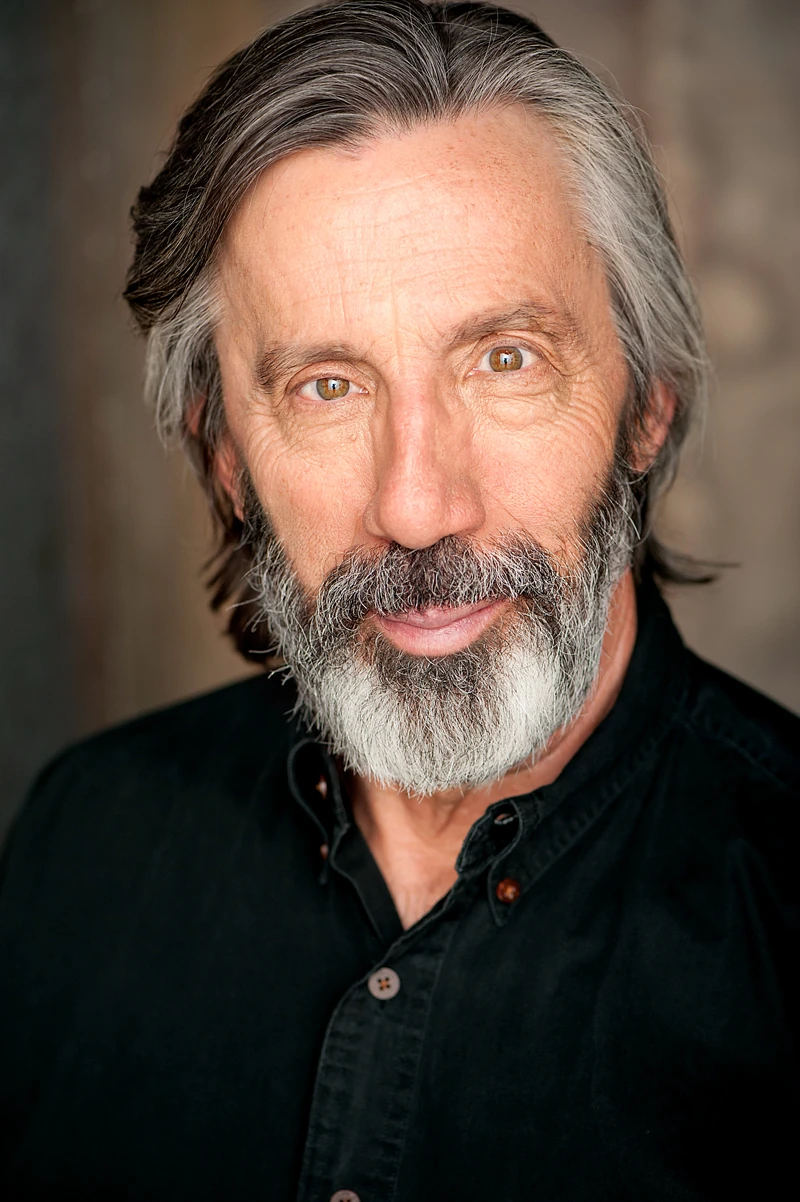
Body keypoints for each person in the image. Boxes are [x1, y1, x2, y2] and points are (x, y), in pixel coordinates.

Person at [1, 2, 796, 1198]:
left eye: (504, 359)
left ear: (646, 405)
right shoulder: (83, 842)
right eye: (326, 386)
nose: (416, 507)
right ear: (226, 455)